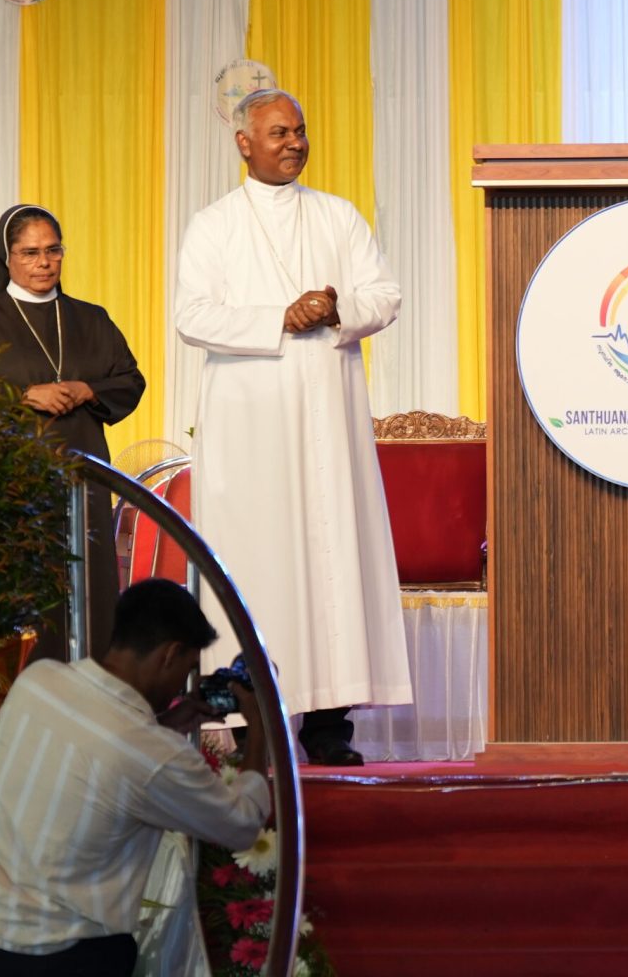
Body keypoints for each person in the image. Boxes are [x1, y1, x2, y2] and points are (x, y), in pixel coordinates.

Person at [174, 89, 411, 766]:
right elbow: (192, 316)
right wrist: (280, 317)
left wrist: (337, 311)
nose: (295, 143)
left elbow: (385, 295)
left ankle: (330, 724)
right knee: (260, 563)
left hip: (327, 425)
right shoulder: (214, 226)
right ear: (244, 142)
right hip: (251, 433)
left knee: (332, 557)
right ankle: (249, 720)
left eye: (300, 131)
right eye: (279, 132)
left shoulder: (338, 215)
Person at [0, 579, 270, 977]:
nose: (182, 683)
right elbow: (241, 824)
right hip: (68, 960)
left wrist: (165, 723)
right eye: (187, 668)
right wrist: (260, 727)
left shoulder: (37, 681)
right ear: (170, 654)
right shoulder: (153, 753)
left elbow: (96, 751)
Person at [0, 205, 146, 655]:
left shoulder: (91, 319)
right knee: (22, 590)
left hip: (83, 476)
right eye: (30, 252)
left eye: (53, 250)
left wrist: (88, 389)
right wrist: (21, 397)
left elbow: (130, 380)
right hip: (10, 480)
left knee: (86, 584)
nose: (44, 262)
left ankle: (92, 682)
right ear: (7, 257)